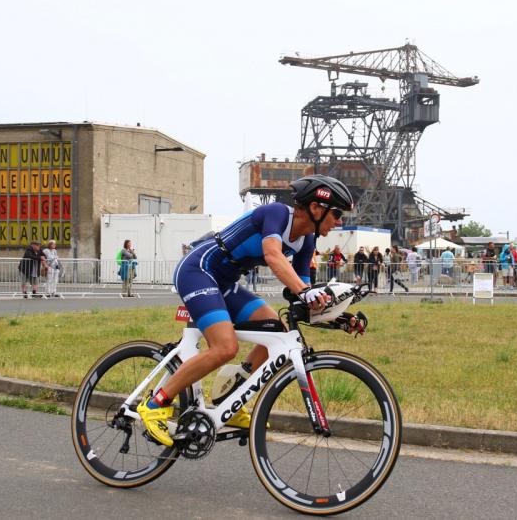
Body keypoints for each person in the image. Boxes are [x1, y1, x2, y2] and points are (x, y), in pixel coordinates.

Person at [137, 175, 358, 447]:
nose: (339, 222)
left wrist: (339, 317)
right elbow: (273, 255)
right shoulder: (277, 214)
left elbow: (302, 298)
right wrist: (304, 290)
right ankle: (155, 403)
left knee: (277, 330)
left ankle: (228, 395)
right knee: (225, 346)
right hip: (198, 270)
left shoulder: (306, 242)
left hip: (225, 283)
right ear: (315, 208)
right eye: (336, 214)